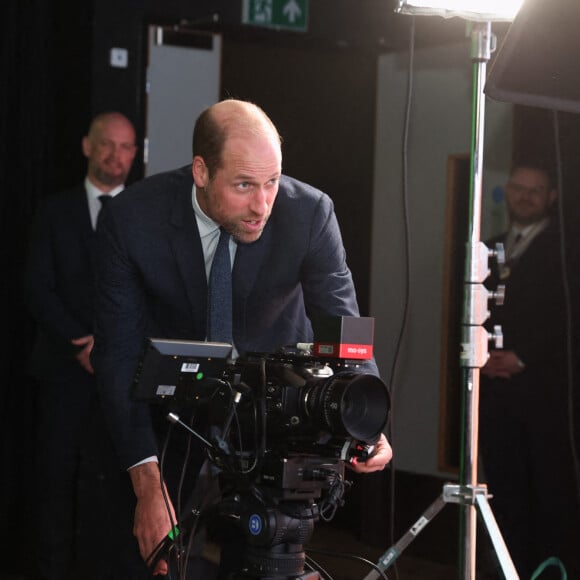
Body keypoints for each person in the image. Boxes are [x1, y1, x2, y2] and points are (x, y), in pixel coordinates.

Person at [92, 98, 392, 578]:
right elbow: (117, 355)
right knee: (154, 563)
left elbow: (343, 324)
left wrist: (366, 420)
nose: (262, 205)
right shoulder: (132, 220)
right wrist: (147, 485)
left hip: (272, 423)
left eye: (272, 181)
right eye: (244, 185)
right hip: (169, 425)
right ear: (201, 172)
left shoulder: (310, 213)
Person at [24, 111, 137, 579]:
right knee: (55, 484)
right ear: (88, 146)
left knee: (118, 489)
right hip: (62, 374)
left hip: (125, 379)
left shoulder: (145, 214)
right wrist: (79, 343)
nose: (116, 155)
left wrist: (111, 349)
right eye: (107, 144)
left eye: (126, 147)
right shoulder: (54, 210)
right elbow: (36, 287)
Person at [479, 161, 580, 578]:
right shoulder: (490, 247)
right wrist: (481, 354)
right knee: (503, 490)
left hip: (546, 395)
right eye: (518, 188)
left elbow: (568, 317)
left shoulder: (567, 250)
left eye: (535, 190)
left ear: (551, 197)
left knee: (549, 493)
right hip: (494, 393)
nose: (525, 196)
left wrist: (526, 357)